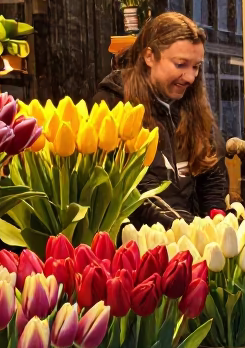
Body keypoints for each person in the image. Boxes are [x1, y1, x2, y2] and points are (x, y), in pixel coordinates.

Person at [93, 11, 228, 224]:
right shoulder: (113, 105)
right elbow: (139, 190)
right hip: (141, 245)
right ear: (149, 56)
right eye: (180, 64)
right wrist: (189, 231)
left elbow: (210, 175)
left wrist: (217, 224)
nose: (191, 77)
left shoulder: (193, 106)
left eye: (196, 66)